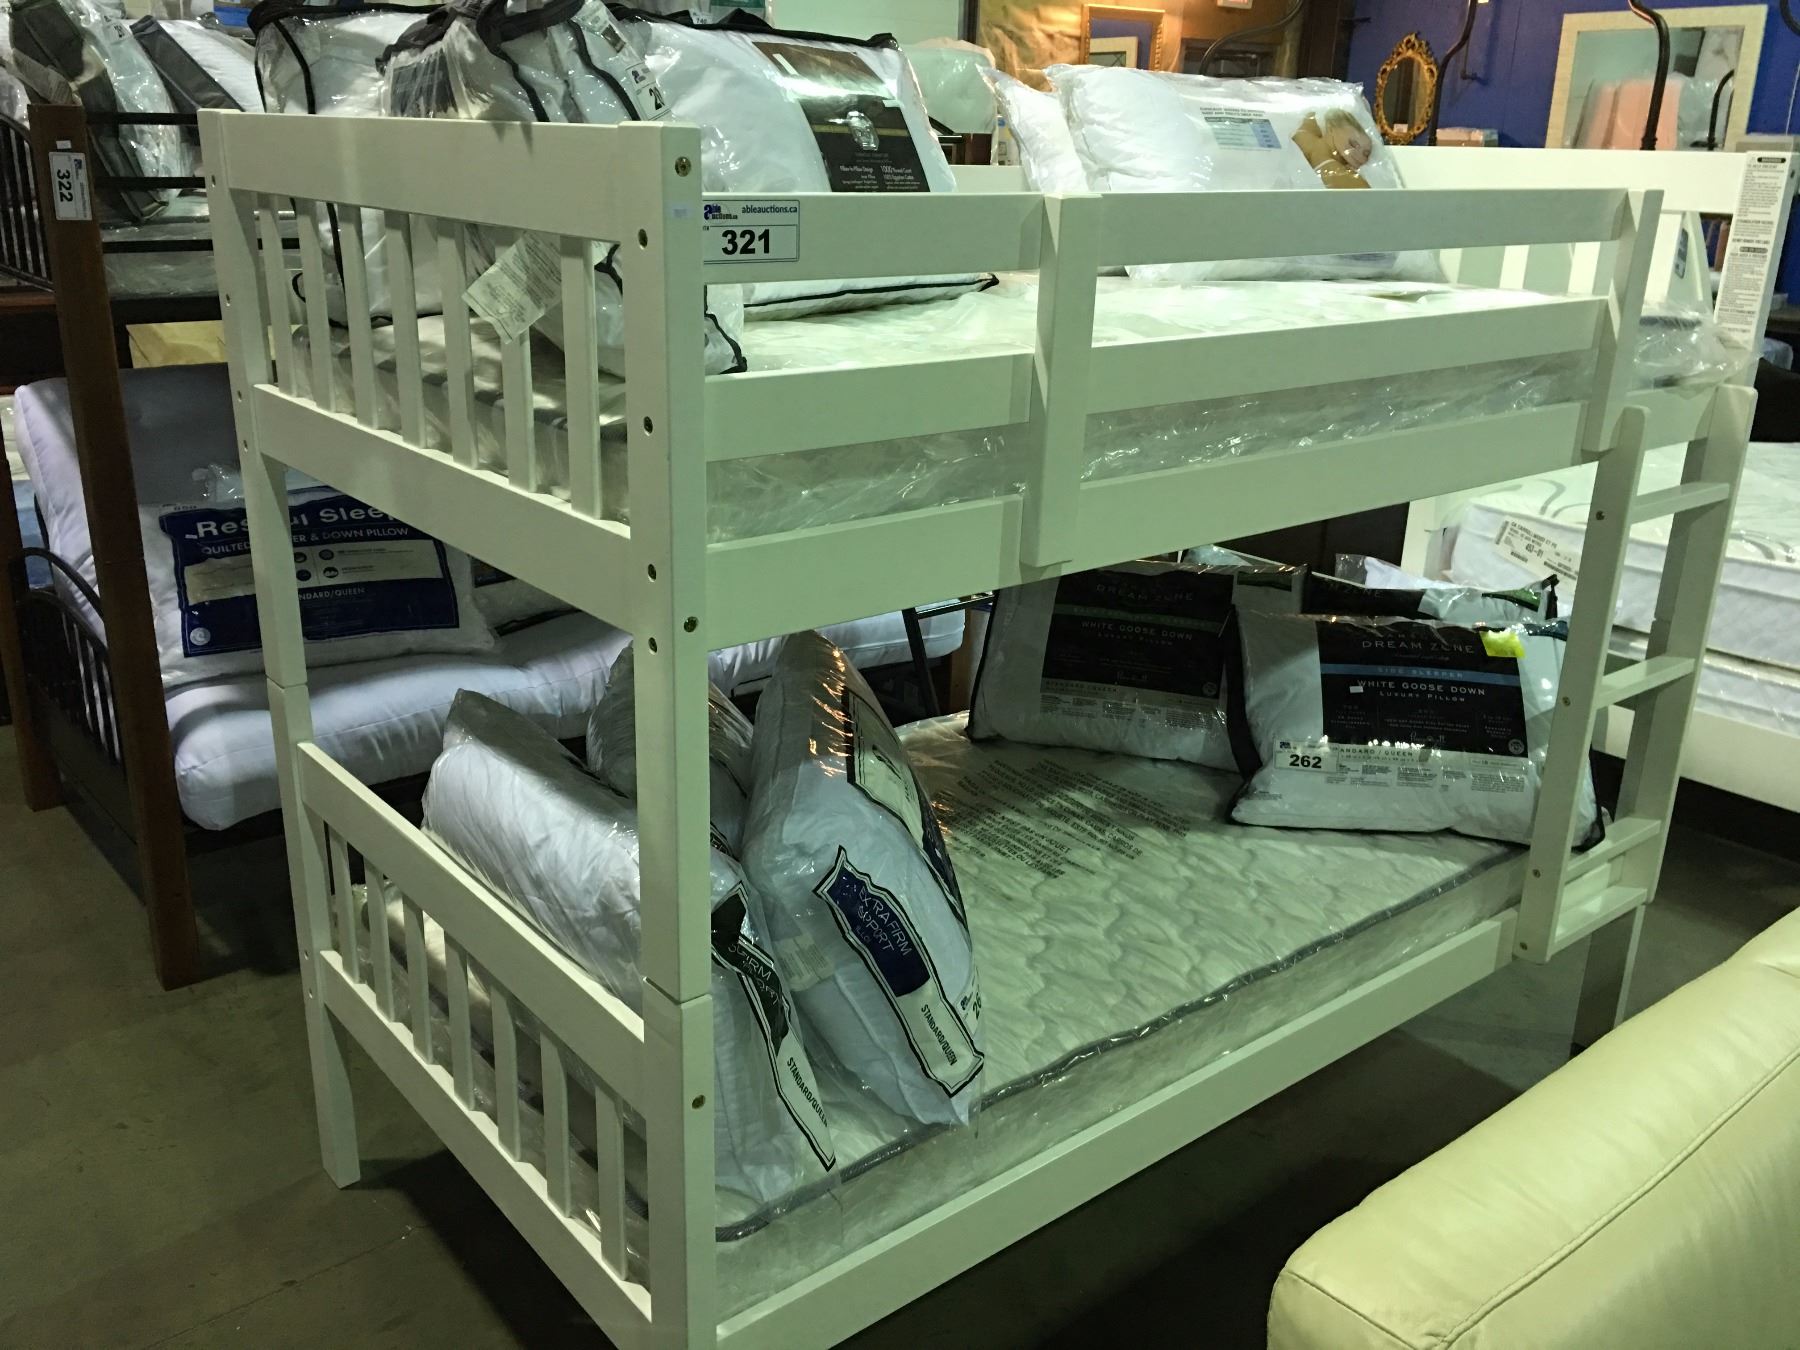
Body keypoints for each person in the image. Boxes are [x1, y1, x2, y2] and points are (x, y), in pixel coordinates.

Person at [1291, 108, 1374, 189]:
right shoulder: (1336, 172)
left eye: (1366, 154)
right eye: (1353, 144)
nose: (1358, 154)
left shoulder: (1304, 133)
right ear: (1331, 127)